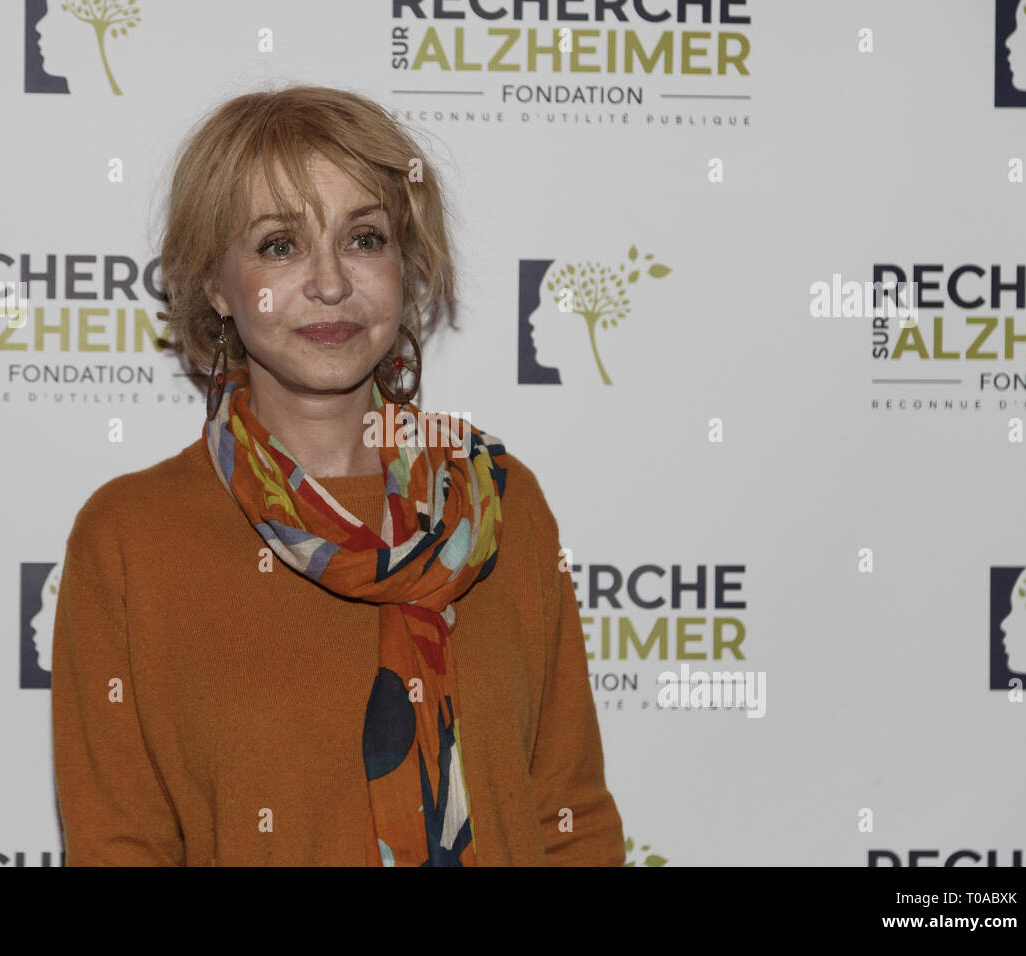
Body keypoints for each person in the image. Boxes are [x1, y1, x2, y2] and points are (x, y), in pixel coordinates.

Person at [51, 84, 626, 866]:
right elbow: (121, 847)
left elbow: (571, 820)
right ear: (217, 285)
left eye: (363, 239)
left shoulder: (495, 503)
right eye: (279, 245)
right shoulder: (130, 537)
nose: (330, 283)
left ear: (405, 266)